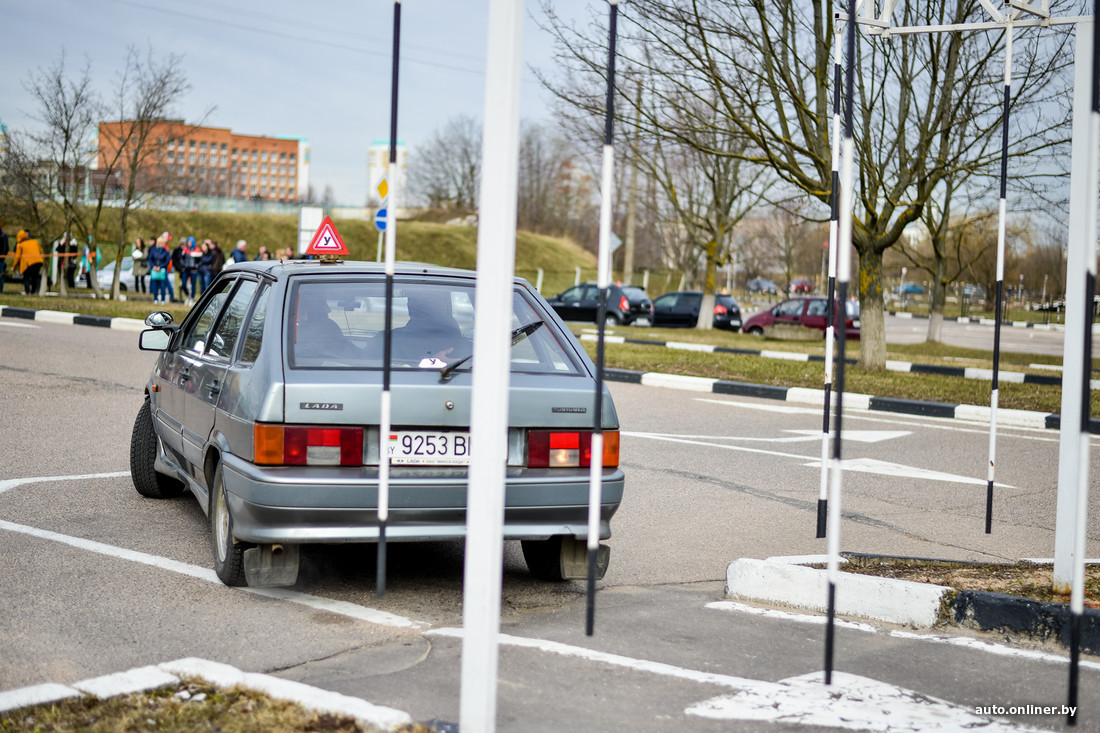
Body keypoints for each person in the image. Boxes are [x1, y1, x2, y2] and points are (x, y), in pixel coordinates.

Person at [391, 288, 468, 365]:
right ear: (443, 305)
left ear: (410, 308)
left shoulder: (388, 340)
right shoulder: (470, 349)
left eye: (412, 303)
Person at [12, 230, 44, 295]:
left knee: (26, 278)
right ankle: (33, 292)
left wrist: (14, 267)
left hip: (28, 264)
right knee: (34, 277)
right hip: (38, 262)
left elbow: (17, 257)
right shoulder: (35, 242)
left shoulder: (20, 245)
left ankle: (28, 292)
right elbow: (41, 251)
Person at [147, 235, 172, 304]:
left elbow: (167, 261)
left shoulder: (166, 252)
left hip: (162, 271)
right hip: (154, 270)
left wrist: (160, 267)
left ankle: (163, 299)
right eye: (161, 243)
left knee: (163, 285)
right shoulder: (154, 250)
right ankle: (155, 298)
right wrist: (153, 266)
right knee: (155, 285)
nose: (162, 244)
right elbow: (150, 259)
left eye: (163, 243)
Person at [0, 219, 9, 294]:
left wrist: (2, 257)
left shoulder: (3, 235)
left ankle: (0, 290)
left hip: (1, 259)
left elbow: (6, 248)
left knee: (1, 275)